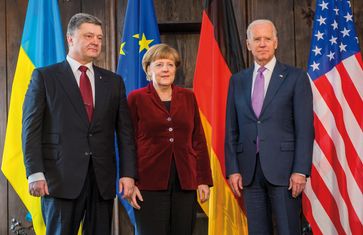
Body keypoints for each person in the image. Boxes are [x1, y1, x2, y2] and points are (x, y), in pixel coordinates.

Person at [22, 13, 136, 235]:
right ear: (70, 39)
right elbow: (31, 129)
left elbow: (125, 133)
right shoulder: (45, 77)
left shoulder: (113, 81)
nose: (96, 41)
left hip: (101, 181)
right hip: (60, 178)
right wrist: (34, 172)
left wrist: (128, 173)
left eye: (100, 38)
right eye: (89, 36)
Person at [225, 19, 314, 235]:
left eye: (267, 39)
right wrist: (233, 169)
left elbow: (305, 129)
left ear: (276, 42)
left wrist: (300, 170)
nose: (262, 44)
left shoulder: (295, 77)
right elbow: (231, 129)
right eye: (257, 39)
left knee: (287, 230)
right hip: (249, 172)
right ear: (248, 44)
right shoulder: (237, 80)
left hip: (285, 172)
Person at [127, 43, 213, 235]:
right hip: (148, 182)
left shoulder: (188, 97)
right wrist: (130, 181)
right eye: (159, 64)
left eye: (170, 64)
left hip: (185, 181)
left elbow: (198, 139)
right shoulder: (136, 98)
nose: (165, 69)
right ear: (148, 69)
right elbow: (127, 142)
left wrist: (203, 180)